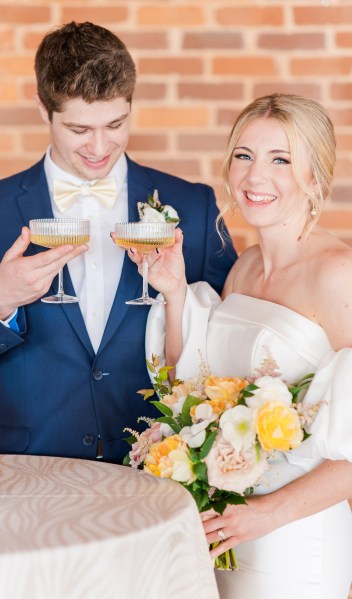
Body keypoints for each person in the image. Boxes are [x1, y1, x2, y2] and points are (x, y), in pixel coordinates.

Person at [0, 21, 237, 463]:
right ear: (42, 109)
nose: (100, 147)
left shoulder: (192, 205)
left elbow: (230, 337)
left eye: (116, 124)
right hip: (32, 468)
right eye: (79, 129)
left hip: (163, 465)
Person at [133, 94, 352, 597]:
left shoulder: (337, 275)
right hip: (225, 527)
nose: (256, 177)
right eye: (244, 155)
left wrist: (267, 514)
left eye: (281, 160)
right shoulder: (244, 268)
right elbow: (187, 386)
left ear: (315, 175)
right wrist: (172, 293)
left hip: (295, 533)